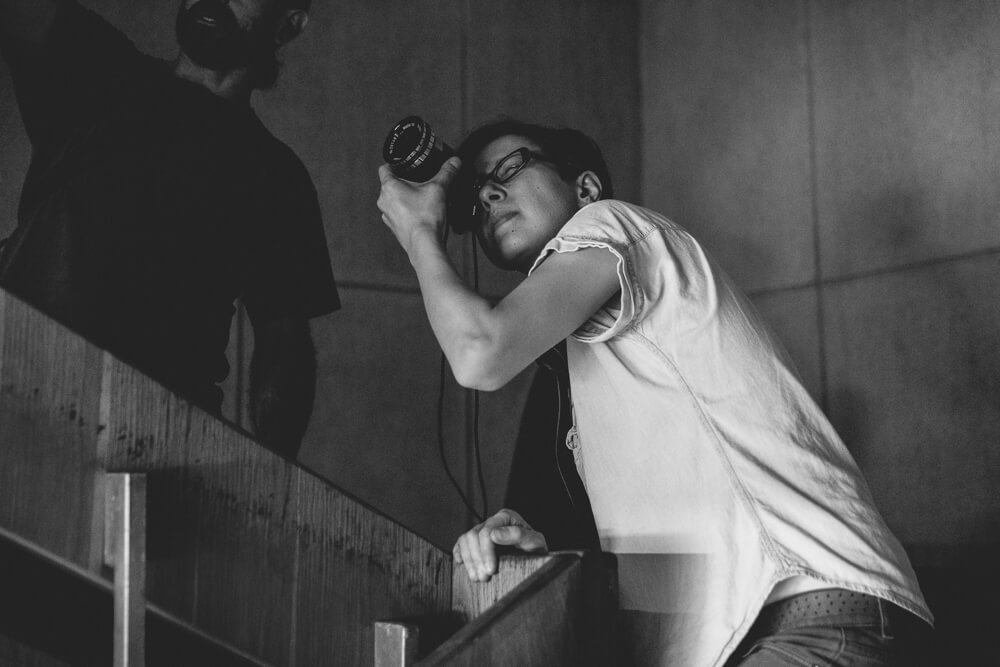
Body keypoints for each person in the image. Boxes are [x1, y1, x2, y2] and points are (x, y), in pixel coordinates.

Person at [377, 118, 934, 666]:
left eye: (511, 167)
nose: (490, 192)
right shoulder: (601, 355)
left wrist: (420, 234)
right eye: (476, 196)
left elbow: (479, 351)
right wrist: (553, 560)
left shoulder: (613, 223)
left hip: (809, 616)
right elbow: (688, 542)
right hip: (768, 630)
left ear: (586, 187)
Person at [0, 0, 339, 457]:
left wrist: (276, 482)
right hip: (17, 385)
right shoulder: (93, 64)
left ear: (289, 25)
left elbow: (284, 347)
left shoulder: (278, 176)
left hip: (156, 440)